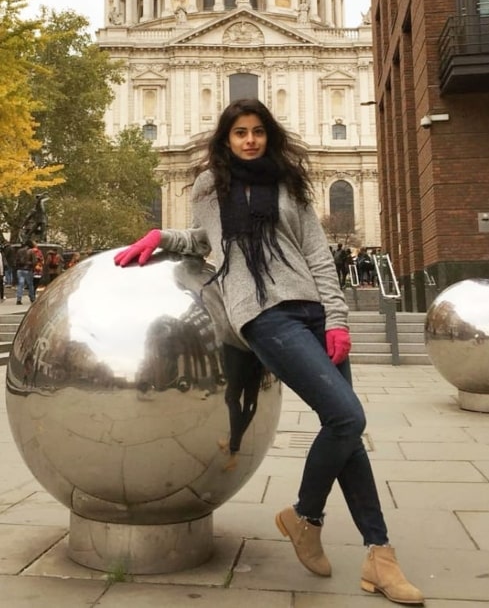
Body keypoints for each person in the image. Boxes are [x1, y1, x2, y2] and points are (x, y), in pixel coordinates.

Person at [114, 99, 423, 604]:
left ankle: (378, 554)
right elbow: (206, 239)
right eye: (240, 133)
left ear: (269, 135)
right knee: (347, 418)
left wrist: (337, 317)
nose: (250, 140)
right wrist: (160, 237)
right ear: (226, 139)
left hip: (311, 309)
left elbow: (318, 253)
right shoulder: (210, 187)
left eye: (258, 131)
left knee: (346, 428)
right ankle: (305, 516)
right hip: (263, 314)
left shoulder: (289, 185)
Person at [15, 240, 36, 305]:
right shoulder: (31, 251)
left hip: (20, 270)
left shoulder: (19, 251)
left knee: (20, 284)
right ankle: (32, 298)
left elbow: (16, 260)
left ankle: (19, 299)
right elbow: (34, 261)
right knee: (30, 285)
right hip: (28, 270)